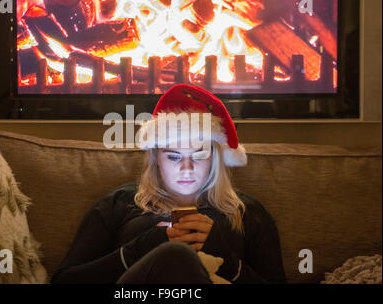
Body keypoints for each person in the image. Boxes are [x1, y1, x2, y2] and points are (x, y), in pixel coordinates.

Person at [50, 84, 286, 284]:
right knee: (175, 254)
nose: (186, 168)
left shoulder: (247, 213)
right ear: (156, 158)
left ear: (215, 157)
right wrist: (143, 248)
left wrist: (225, 258)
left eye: (199, 155)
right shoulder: (119, 204)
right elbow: (64, 281)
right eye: (173, 156)